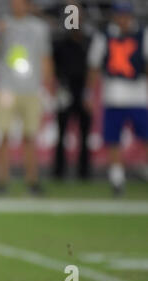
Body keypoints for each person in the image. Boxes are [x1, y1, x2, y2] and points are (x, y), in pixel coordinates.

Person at [0, 0, 55, 195]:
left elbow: (45, 56)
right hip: (6, 87)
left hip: (31, 88)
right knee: (3, 135)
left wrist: (48, 86)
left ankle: (32, 181)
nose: (17, 5)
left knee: (30, 137)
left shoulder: (39, 27)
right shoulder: (0, 24)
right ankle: (2, 181)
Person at [85, 1, 148, 196]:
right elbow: (94, 67)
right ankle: (117, 177)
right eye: (119, 15)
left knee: (145, 135)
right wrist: (88, 93)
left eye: (125, 15)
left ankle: (143, 167)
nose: (122, 19)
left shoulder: (142, 34)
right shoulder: (104, 36)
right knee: (113, 139)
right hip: (113, 94)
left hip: (138, 93)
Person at [52, 3, 92, 180]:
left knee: (85, 134)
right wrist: (58, 87)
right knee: (61, 132)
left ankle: (84, 172)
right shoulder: (60, 42)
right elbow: (54, 67)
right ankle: (59, 171)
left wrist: (88, 92)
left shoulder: (88, 41)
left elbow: (93, 67)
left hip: (82, 89)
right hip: (65, 88)